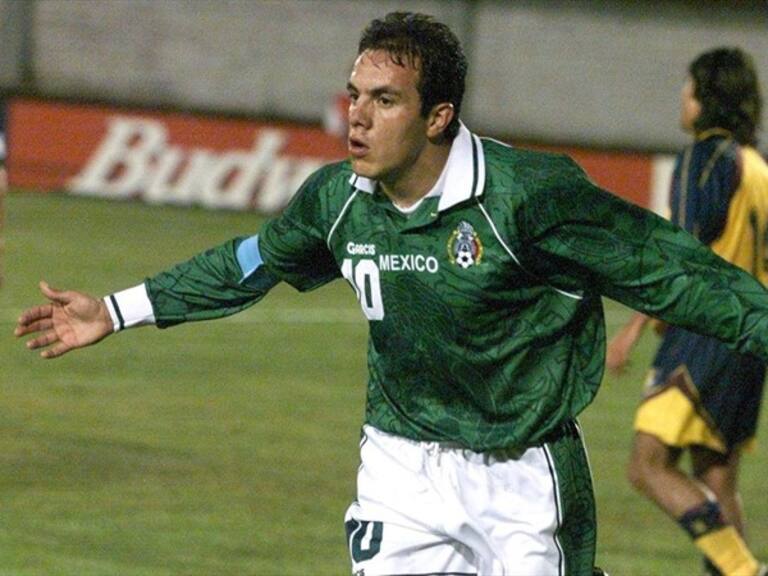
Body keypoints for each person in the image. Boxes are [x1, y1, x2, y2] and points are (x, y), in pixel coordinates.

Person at [14, 14, 768, 575]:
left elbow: (672, 270)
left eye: (384, 100)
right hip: (400, 471)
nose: (357, 117)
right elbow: (249, 265)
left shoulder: (526, 198)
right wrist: (115, 310)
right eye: (352, 95)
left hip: (522, 474)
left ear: (438, 116)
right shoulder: (338, 199)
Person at [606, 47, 768, 576]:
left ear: (707, 99)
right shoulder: (757, 168)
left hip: (704, 334)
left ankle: (744, 571)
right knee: (717, 480)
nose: (683, 96)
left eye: (690, 87)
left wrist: (631, 328)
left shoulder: (706, 156)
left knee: (647, 465)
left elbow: (683, 249)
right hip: (751, 340)